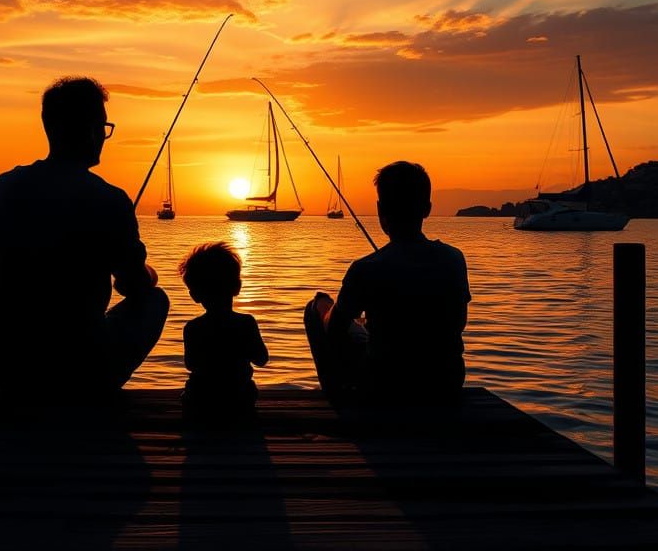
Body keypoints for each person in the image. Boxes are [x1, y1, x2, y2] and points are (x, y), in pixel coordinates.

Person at [0, 76, 169, 397]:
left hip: (5, 366)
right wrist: (148, 272)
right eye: (104, 127)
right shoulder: (108, 199)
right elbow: (132, 285)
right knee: (155, 300)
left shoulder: (3, 186)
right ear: (93, 130)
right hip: (79, 370)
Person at [304, 161, 470, 404]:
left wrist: (327, 307)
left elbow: (336, 327)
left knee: (315, 308)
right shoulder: (454, 259)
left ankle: (337, 397)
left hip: (386, 385)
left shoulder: (366, 268)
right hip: (446, 383)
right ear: (427, 208)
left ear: (380, 209)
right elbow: (458, 322)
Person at [180, 242, 268, 413]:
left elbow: (190, 364)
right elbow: (261, 359)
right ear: (237, 287)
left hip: (201, 398)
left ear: (194, 295)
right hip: (239, 398)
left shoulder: (193, 327)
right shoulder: (246, 323)